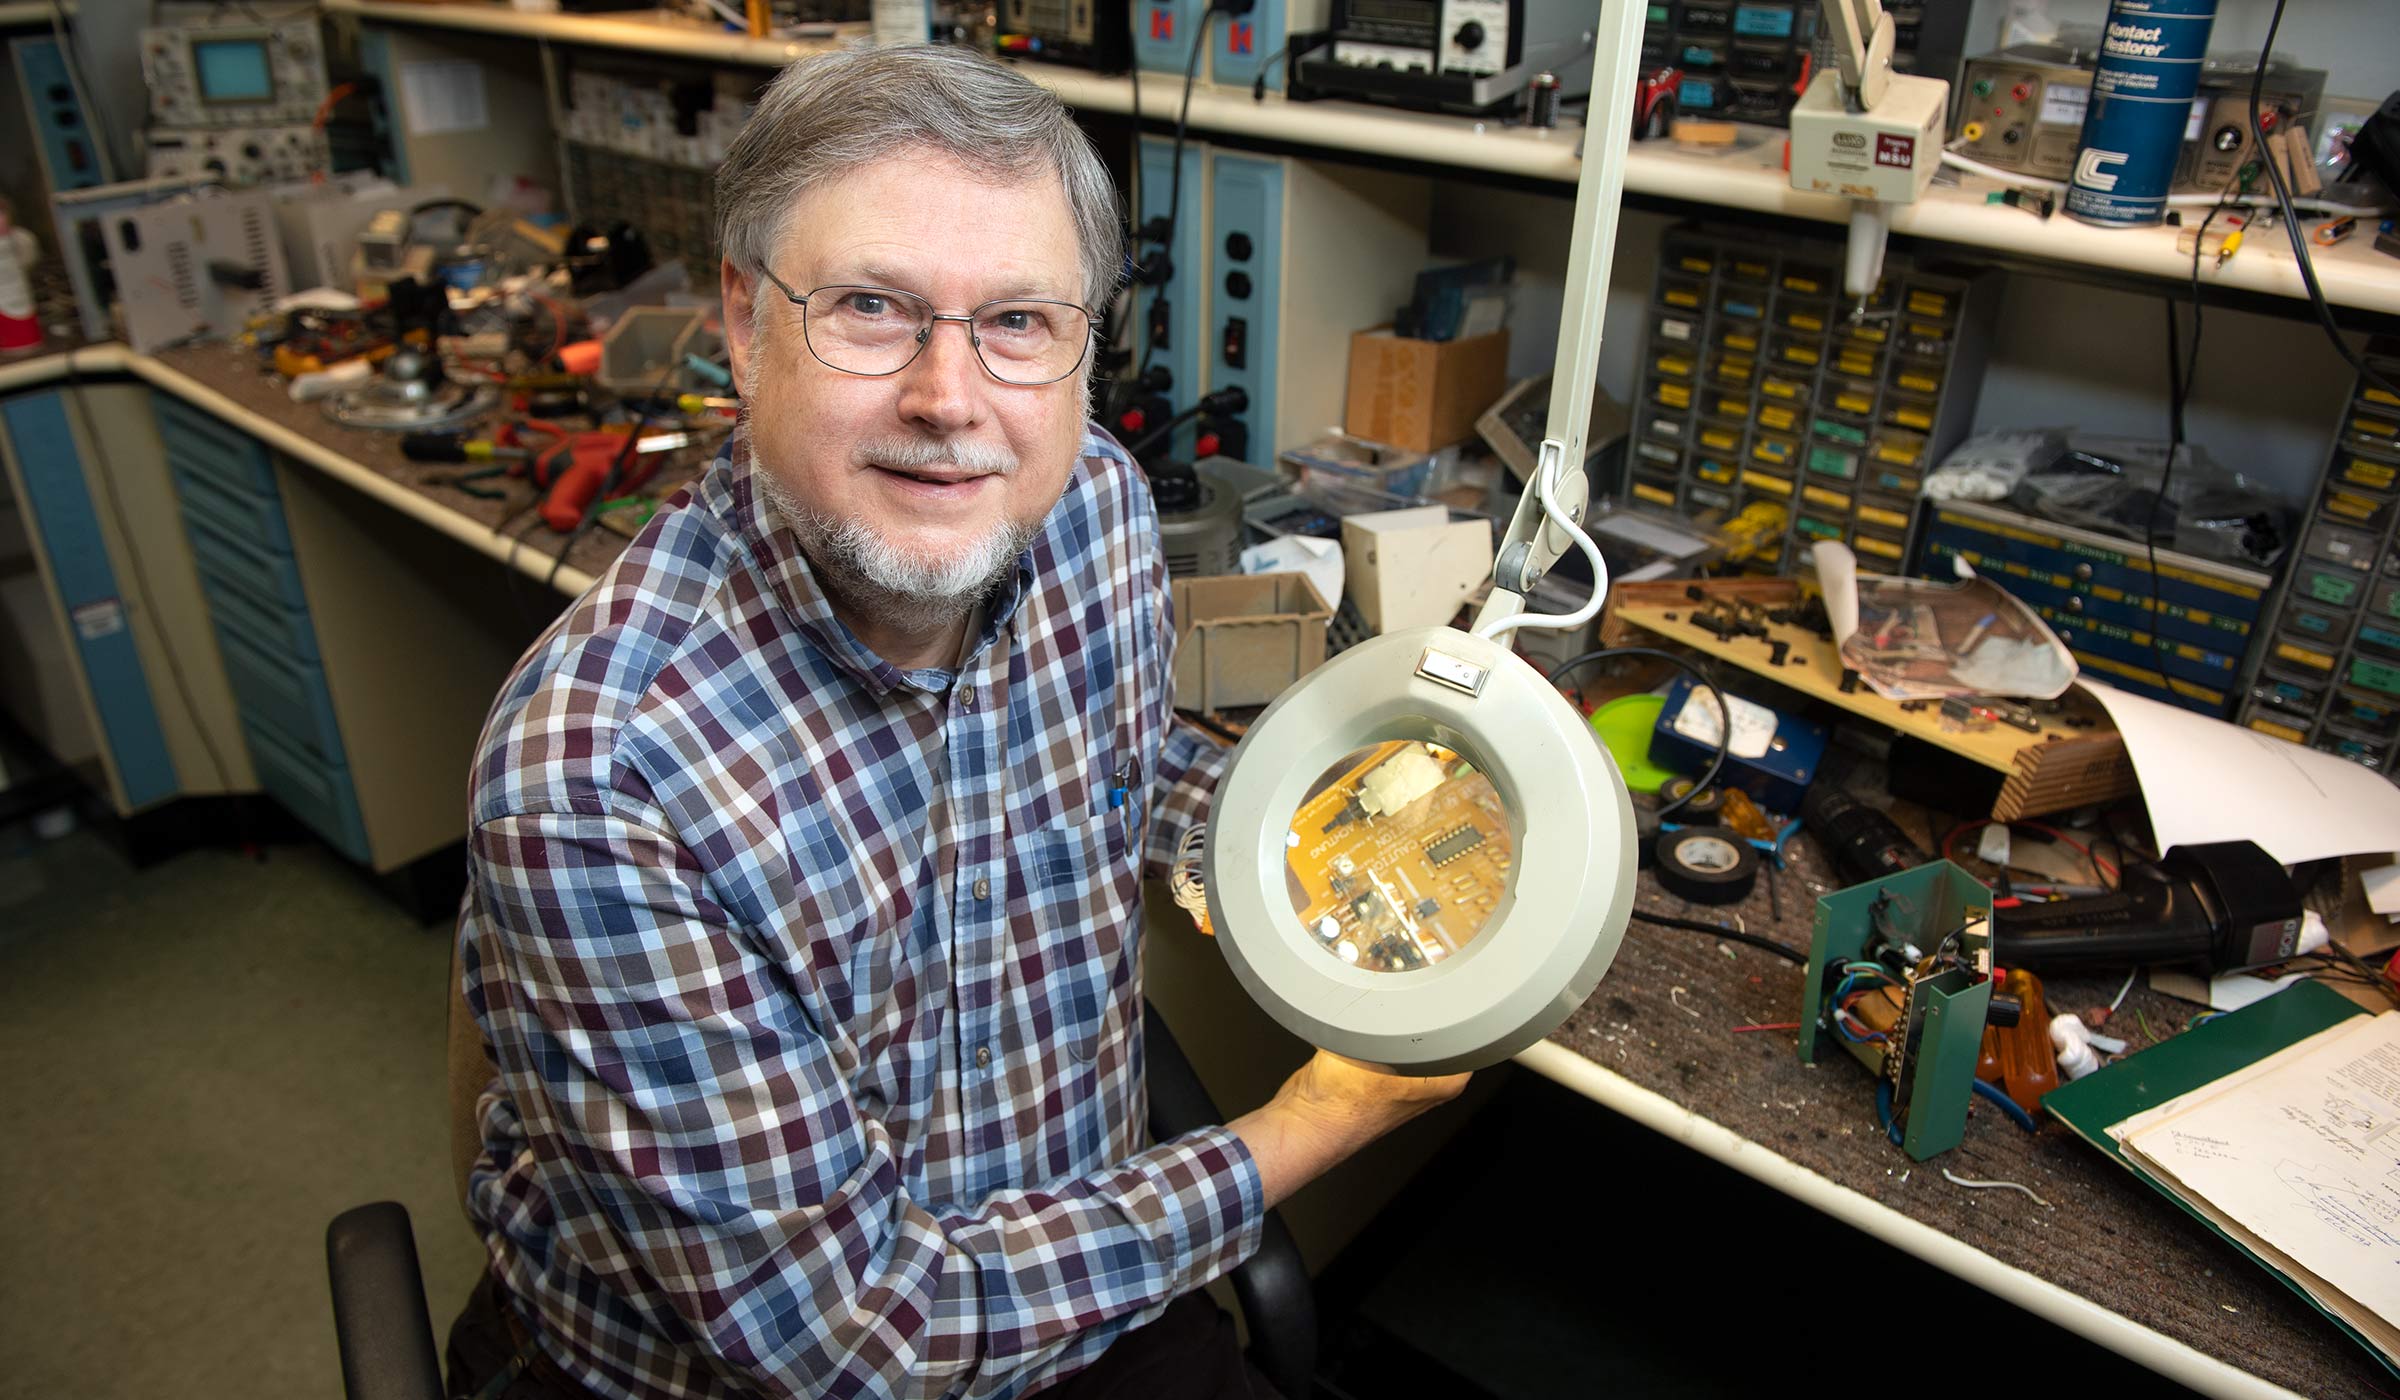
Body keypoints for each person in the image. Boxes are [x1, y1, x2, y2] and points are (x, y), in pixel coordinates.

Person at [449, 44, 1467, 1400]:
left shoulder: (1087, 505)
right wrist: (1328, 1118)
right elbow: (850, 1339)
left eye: (1020, 323)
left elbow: (1122, 763)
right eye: (873, 309)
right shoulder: (605, 782)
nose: (951, 399)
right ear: (745, 325)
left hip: (1072, 1272)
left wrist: (1307, 836)